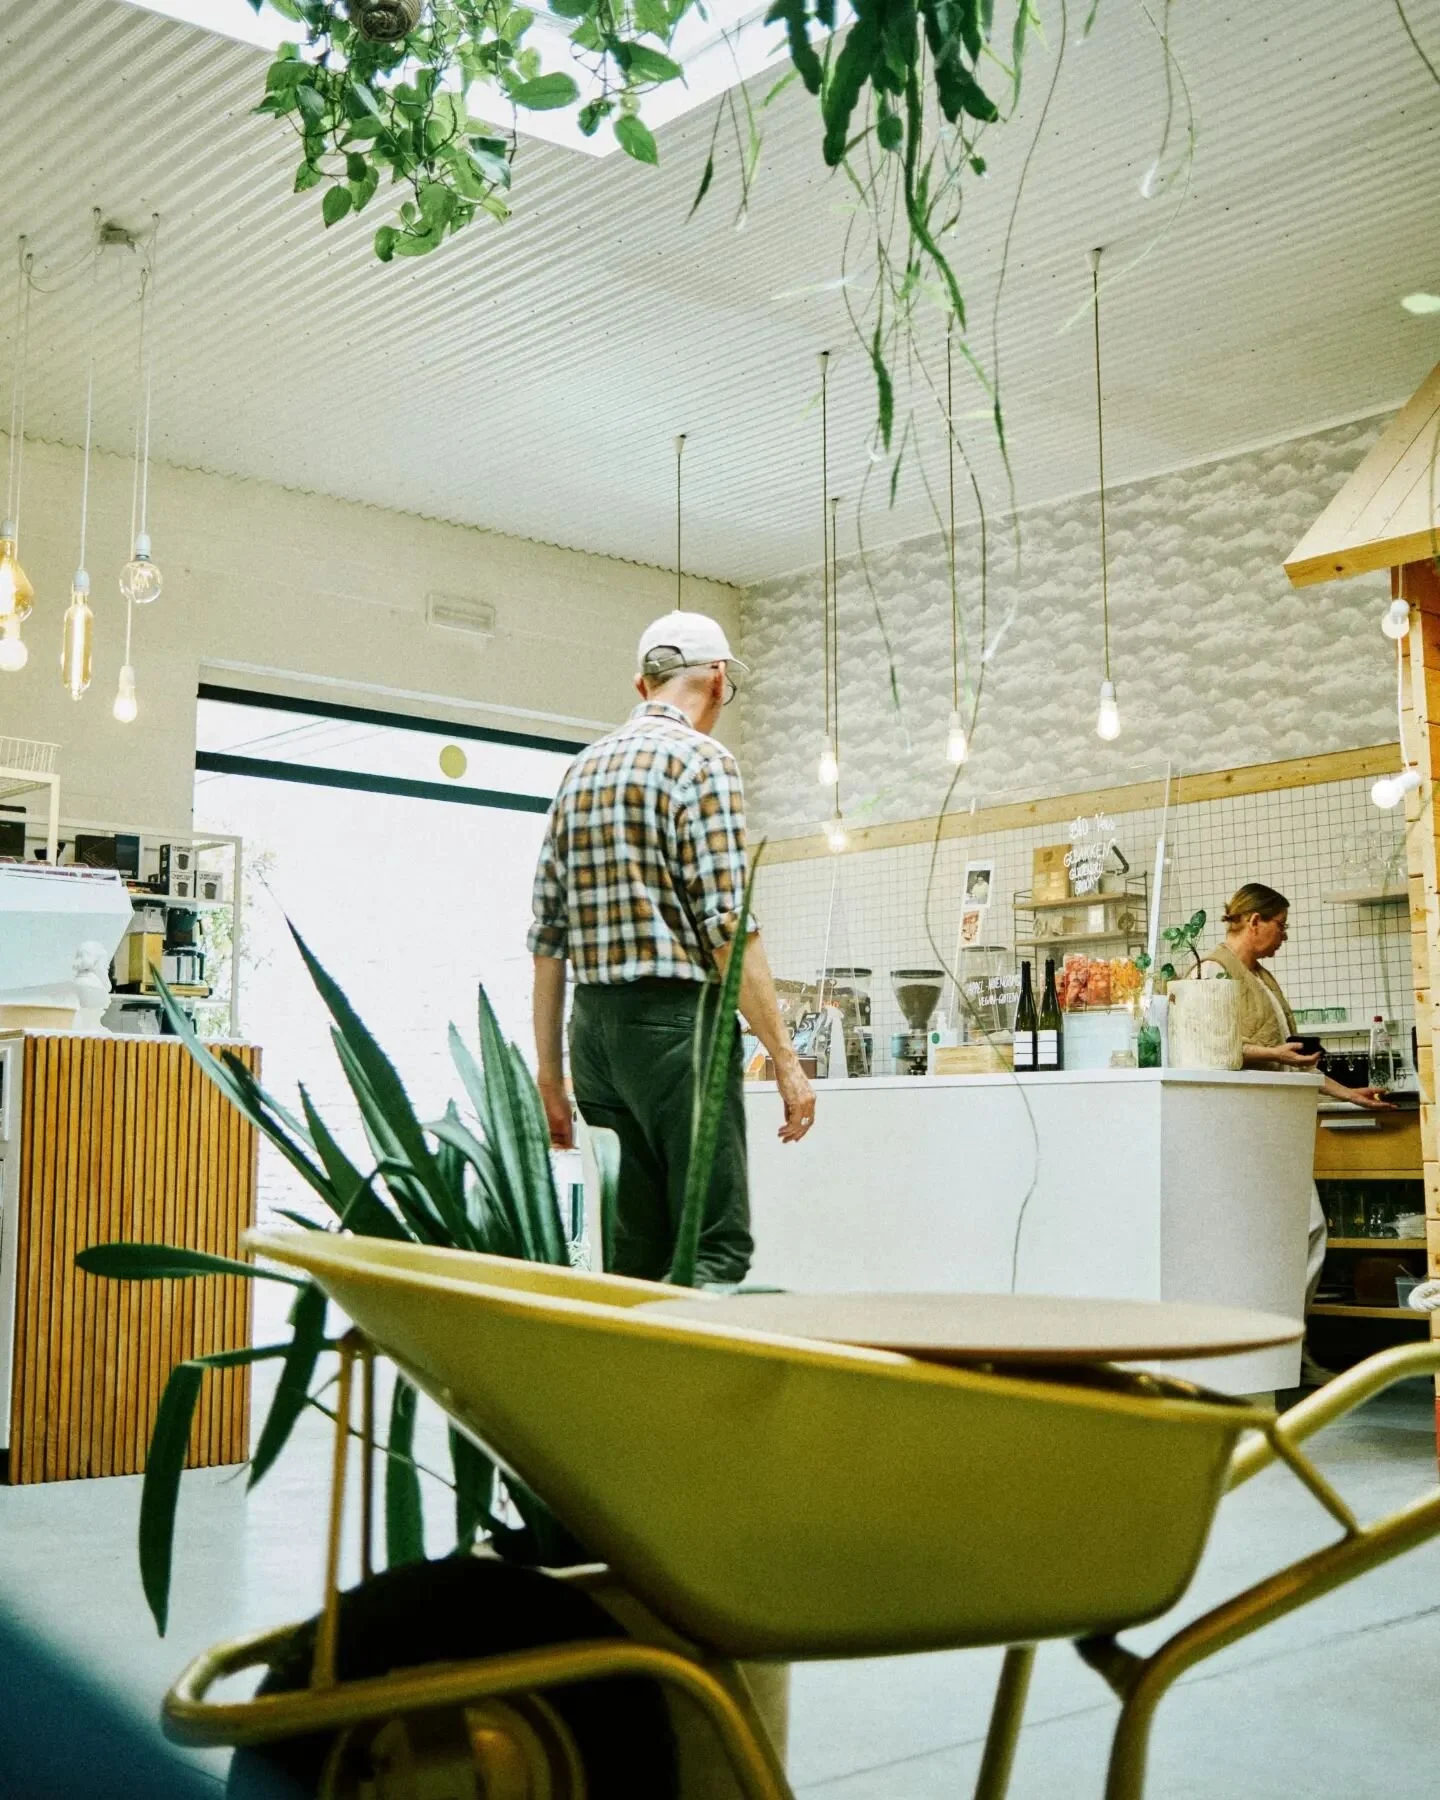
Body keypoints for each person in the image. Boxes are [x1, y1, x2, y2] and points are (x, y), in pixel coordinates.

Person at [529, 609, 816, 1286]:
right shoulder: (704, 762)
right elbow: (727, 926)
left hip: (593, 1035)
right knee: (714, 1246)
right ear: (717, 680)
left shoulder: (580, 770)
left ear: (643, 685)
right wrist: (784, 1058)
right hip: (677, 1028)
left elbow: (547, 937)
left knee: (636, 1251)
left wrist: (550, 1075)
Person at [1201, 882, 1392, 1380]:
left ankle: (1286, 1353)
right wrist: (1275, 1054)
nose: (1284, 935)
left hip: (1276, 1122)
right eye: (1280, 925)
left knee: (1303, 1234)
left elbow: (1290, 1058)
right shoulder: (1211, 970)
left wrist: (1348, 1093)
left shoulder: (1261, 976)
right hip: (1240, 1125)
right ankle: (1273, 1357)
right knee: (1296, 1233)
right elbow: (1207, 1047)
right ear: (1254, 920)